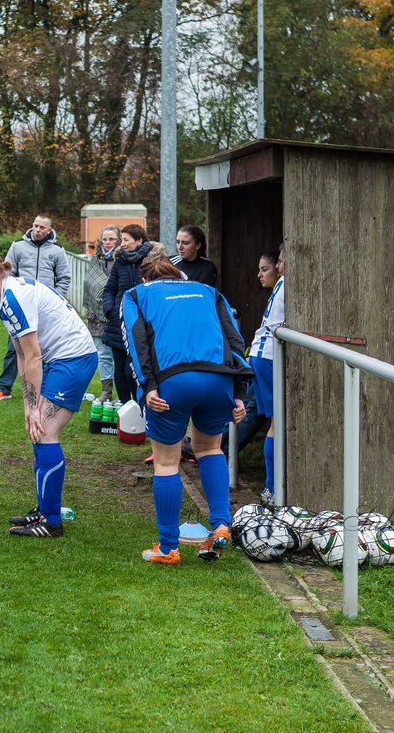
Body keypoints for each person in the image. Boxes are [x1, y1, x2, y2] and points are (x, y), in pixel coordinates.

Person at [121, 253, 249, 564]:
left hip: (172, 382)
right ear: (180, 277)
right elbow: (235, 339)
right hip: (218, 380)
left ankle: (168, 548)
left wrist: (147, 387)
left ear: (145, 279)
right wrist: (240, 391)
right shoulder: (209, 292)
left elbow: (136, 343)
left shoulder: (136, 295)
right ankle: (220, 526)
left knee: (166, 462)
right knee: (209, 450)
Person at [0, 249, 98, 538]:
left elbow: (34, 356)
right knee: (37, 430)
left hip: (73, 359)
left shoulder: (14, 297)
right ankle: (44, 508)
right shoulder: (4, 301)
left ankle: (51, 522)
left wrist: (37, 408)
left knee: (46, 431)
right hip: (59, 360)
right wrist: (28, 405)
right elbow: (22, 355)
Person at [0, 214, 72, 400]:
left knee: (46, 347)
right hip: (20, 304)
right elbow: (6, 273)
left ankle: (46, 388)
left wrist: (55, 297)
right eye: (35, 226)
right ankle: (4, 388)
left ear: (49, 230)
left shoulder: (57, 250)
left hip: (45, 307)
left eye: (42, 227)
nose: (37, 230)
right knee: (15, 347)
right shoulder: (18, 246)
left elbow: (64, 277)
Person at [101, 223, 160, 403]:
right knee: (120, 368)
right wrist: (110, 310)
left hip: (142, 323)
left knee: (134, 367)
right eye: (122, 240)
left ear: (139, 240)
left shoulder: (154, 261)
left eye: (126, 240)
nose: (122, 244)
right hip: (118, 323)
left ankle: (141, 405)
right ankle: (126, 407)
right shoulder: (120, 260)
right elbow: (110, 289)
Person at [250, 244, 285, 506]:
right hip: (267, 356)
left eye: (266, 268)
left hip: (262, 356)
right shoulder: (284, 284)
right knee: (276, 423)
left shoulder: (281, 285)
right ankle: (271, 488)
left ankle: (272, 486)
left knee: (274, 423)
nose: (280, 266)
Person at [82, 224, 119, 401]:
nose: (108, 242)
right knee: (103, 354)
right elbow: (89, 284)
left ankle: (124, 393)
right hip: (96, 315)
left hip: (116, 314)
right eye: (105, 239)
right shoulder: (95, 259)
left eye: (112, 239)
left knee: (119, 355)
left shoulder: (122, 259)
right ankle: (106, 391)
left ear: (118, 240)